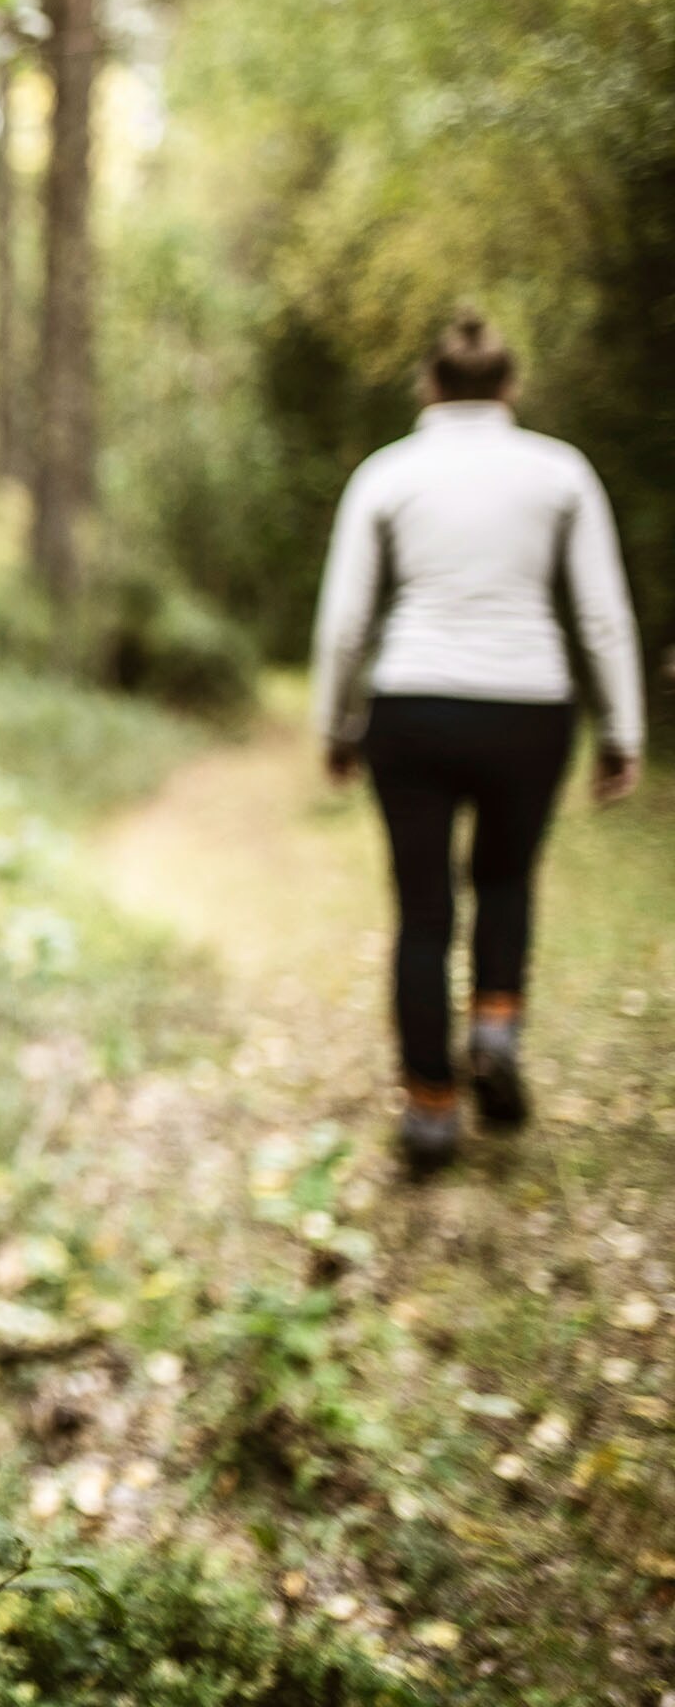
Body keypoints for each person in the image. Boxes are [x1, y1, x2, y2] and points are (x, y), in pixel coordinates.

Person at [310, 308, 646, 1176]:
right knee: (505, 877)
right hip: (529, 708)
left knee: (423, 911)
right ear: (510, 386)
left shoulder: (387, 474)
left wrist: (338, 726)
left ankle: (430, 1110)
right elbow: (602, 615)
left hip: (412, 706)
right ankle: (494, 1028)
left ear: (428, 385)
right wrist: (621, 730)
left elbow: (346, 623)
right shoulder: (560, 472)